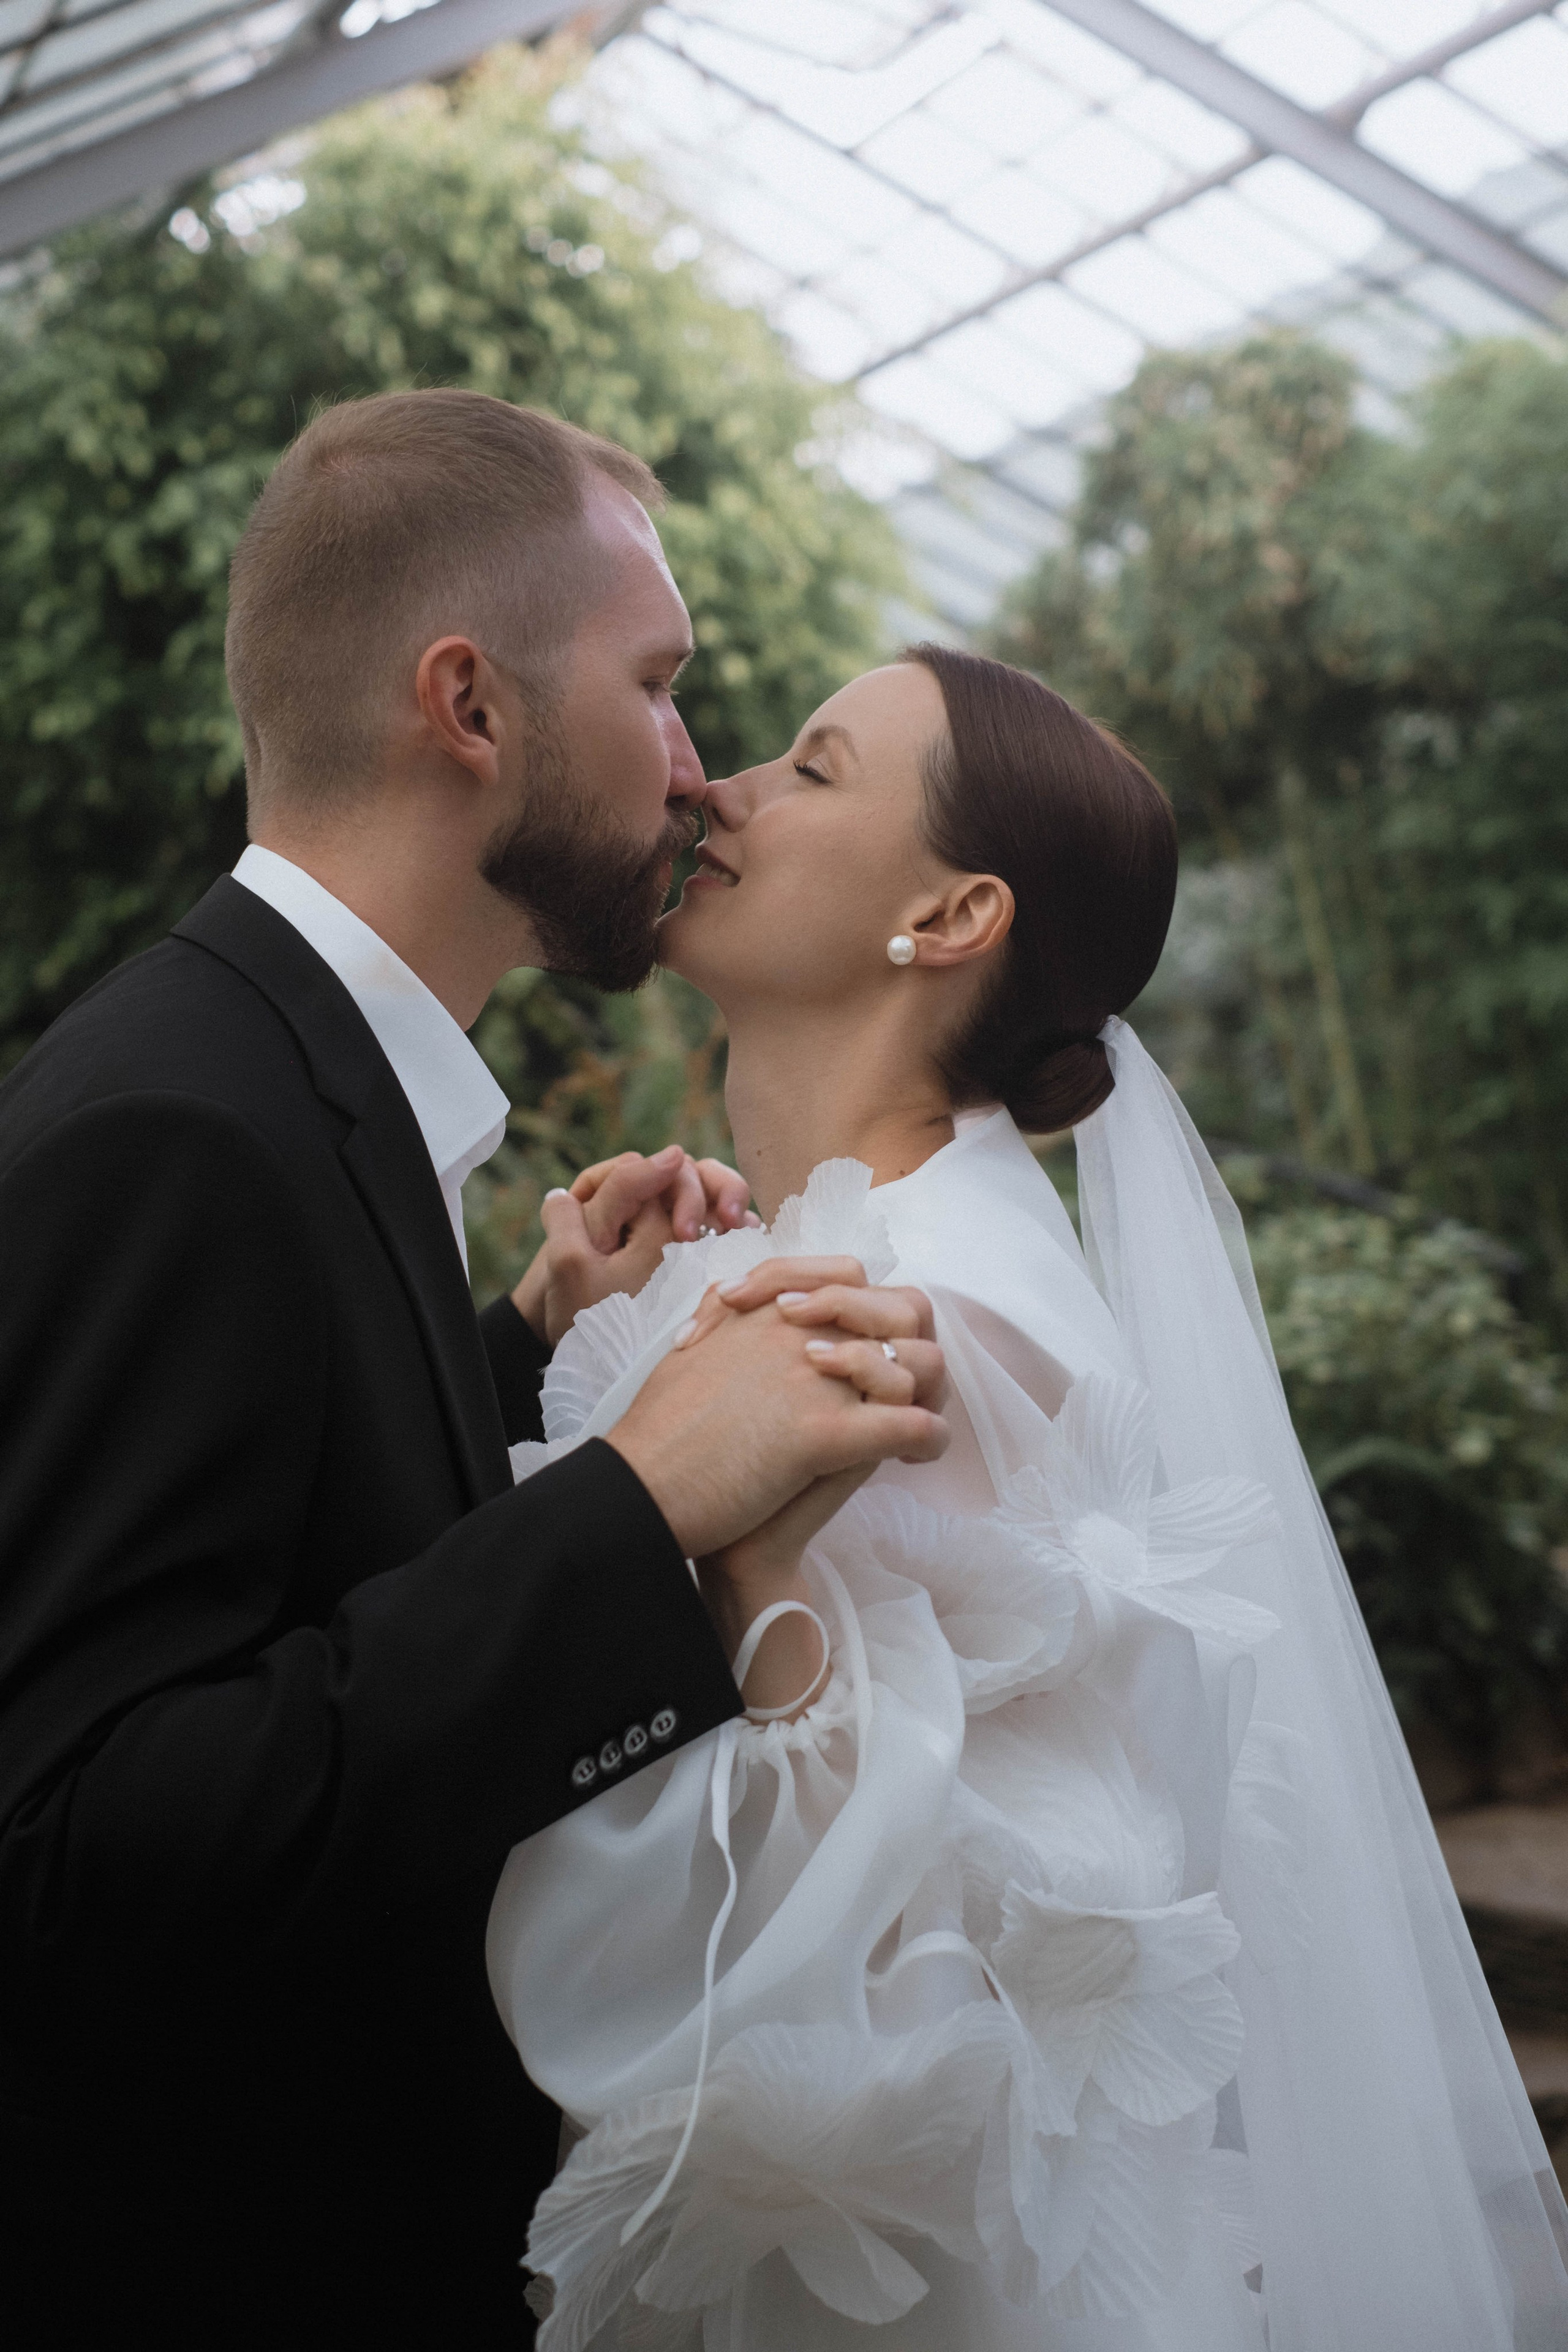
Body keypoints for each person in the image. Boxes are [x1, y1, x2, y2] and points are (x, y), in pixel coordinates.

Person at [0, 391, 951, 2348]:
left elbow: (277, 1555)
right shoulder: (179, 1126)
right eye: (661, 684)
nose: (699, 771)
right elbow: (75, 1845)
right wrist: (639, 1500)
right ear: (473, 707)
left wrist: (513, 1365)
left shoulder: (279, 1086)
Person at [491, 647, 1568, 2348]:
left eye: (816, 769)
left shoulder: (945, 1323)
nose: (725, 785)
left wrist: (727, 1578)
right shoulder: (845, 1258)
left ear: (950, 915)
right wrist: (572, 1341)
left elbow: (836, 1921)